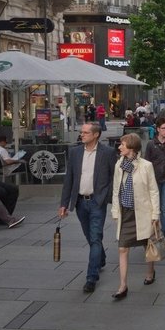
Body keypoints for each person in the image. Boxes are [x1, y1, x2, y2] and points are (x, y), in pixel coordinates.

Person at [59, 122, 118, 293]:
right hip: (79, 202)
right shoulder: (75, 152)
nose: (81, 135)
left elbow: (114, 176)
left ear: (96, 135)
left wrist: (106, 197)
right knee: (90, 236)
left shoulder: (107, 152)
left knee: (95, 236)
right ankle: (100, 258)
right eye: (81, 132)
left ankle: (91, 277)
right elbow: (69, 179)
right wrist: (64, 203)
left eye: (85, 132)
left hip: (97, 201)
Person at [111, 133, 160, 299]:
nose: (119, 147)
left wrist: (155, 214)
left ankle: (150, 272)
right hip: (126, 213)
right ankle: (123, 285)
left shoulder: (146, 166)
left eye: (122, 145)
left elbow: (153, 191)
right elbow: (116, 189)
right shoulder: (119, 164)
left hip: (143, 212)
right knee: (123, 247)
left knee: (147, 244)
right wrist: (115, 210)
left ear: (131, 147)